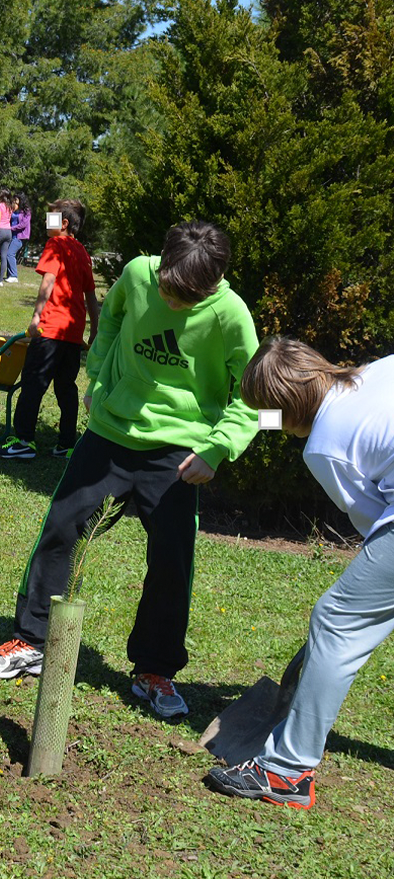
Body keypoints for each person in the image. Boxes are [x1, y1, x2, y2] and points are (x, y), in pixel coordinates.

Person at [0, 221, 260, 720]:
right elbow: (109, 321)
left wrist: (217, 449)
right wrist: (99, 375)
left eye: (187, 298)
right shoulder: (136, 274)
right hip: (109, 433)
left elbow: (250, 398)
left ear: (213, 282)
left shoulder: (232, 316)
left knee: (172, 562)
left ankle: (155, 670)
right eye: (169, 290)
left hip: (178, 452)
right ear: (162, 265)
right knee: (61, 529)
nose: (173, 304)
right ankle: (30, 641)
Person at [206, 338, 394, 810]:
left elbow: (373, 523)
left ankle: (285, 771)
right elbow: (283, 420)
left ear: (286, 407)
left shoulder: (324, 448)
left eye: (269, 411)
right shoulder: (375, 371)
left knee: (338, 620)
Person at [0, 200, 99, 460]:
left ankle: (24, 441)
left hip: (50, 328)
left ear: (63, 224)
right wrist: (94, 331)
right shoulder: (81, 252)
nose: (45, 222)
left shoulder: (56, 245)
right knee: (66, 388)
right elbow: (91, 297)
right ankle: (66, 444)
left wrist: (37, 316)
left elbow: (48, 281)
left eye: (51, 218)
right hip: (72, 333)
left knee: (33, 384)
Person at [3, 194, 31, 283]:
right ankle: (9, 275)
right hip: (11, 235)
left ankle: (14, 276)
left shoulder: (26, 211)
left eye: (16, 200)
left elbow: (23, 224)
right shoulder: (13, 210)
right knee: (7, 254)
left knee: (10, 254)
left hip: (20, 237)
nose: (14, 201)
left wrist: (11, 228)